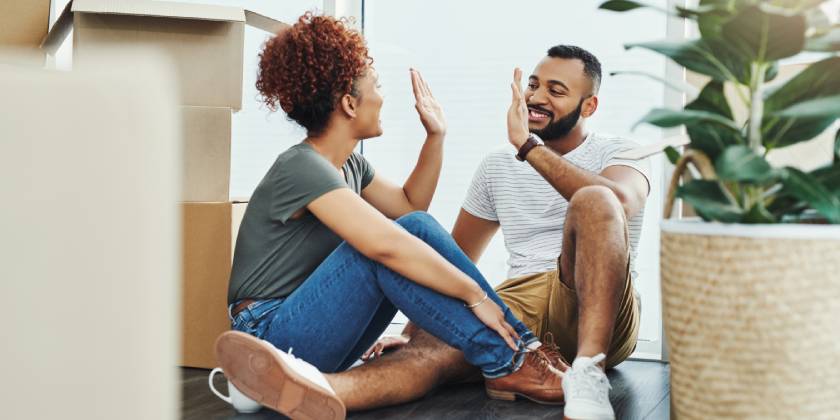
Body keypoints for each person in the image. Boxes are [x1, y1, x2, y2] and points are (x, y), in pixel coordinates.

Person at [215, 12, 568, 420]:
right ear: (350, 103)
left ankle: (519, 355)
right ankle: (513, 359)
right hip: (265, 336)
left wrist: (436, 136)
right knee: (387, 244)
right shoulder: (301, 167)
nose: (383, 97)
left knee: (408, 231)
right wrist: (474, 295)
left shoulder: (349, 166)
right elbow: (387, 244)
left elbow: (410, 208)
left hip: (300, 328)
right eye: (377, 86)